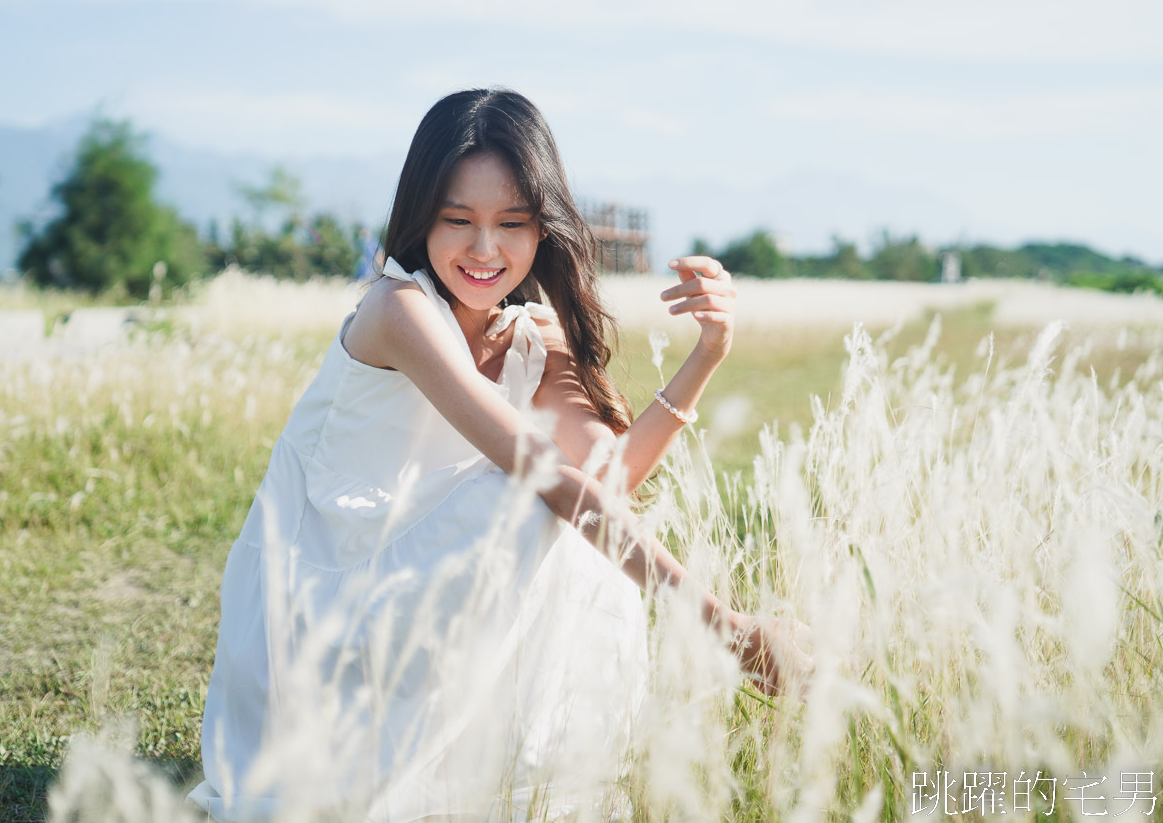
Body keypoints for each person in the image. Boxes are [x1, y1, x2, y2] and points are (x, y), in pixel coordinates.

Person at [187, 89, 813, 822]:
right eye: (459, 221)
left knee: (573, 520)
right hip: (322, 601)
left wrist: (708, 355)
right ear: (422, 216)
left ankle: (524, 771)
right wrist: (724, 626)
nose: (485, 250)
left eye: (511, 224)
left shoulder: (535, 337)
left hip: (420, 597)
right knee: (536, 495)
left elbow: (608, 485)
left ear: (542, 230)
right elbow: (549, 481)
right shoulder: (398, 311)